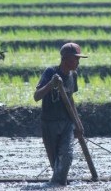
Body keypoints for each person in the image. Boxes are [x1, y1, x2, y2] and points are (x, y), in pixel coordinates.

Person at [34, 42, 87, 186]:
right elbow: (36, 96)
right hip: (49, 123)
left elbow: (70, 100)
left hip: (66, 123)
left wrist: (78, 123)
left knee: (67, 156)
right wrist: (51, 84)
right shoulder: (50, 72)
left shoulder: (73, 75)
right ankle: (58, 183)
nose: (78, 62)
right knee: (55, 162)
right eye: (76, 59)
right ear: (66, 59)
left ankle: (59, 184)